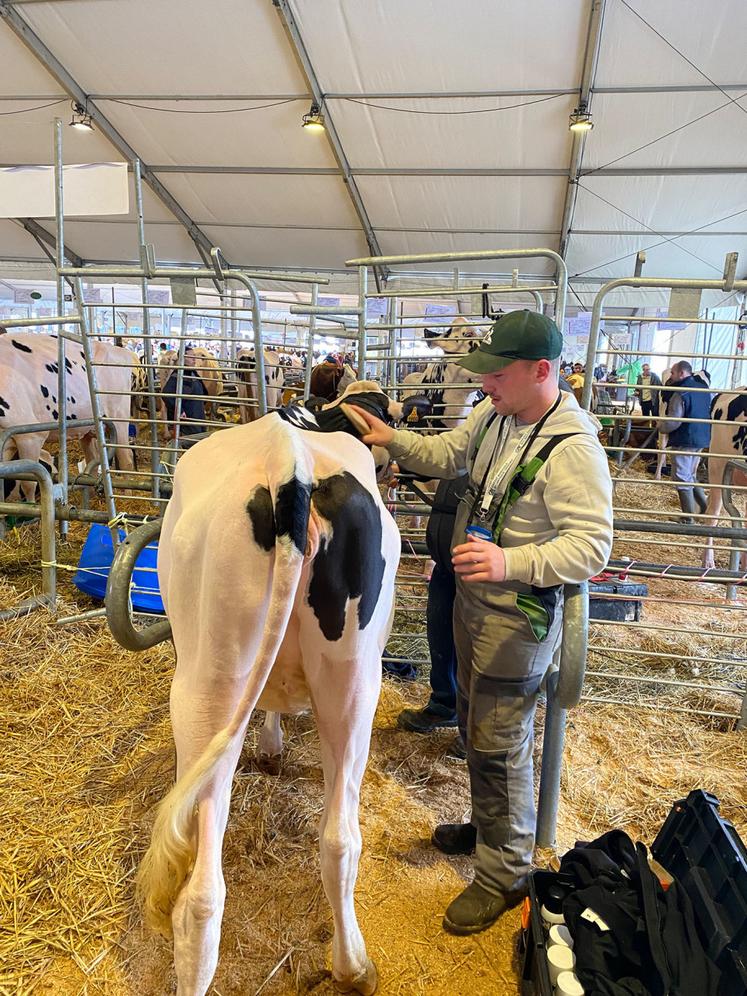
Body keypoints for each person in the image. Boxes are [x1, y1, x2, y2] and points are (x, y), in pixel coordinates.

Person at [352, 310, 613, 936]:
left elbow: (591, 548)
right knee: (476, 724)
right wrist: (393, 439)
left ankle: (506, 873)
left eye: (497, 373)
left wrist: (508, 561)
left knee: (499, 740)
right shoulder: (495, 417)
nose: (485, 383)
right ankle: (490, 828)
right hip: (476, 603)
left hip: (515, 616)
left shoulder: (573, 449)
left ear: (541, 370)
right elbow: (449, 453)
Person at [658, 360, 711, 520]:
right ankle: (704, 509)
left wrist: (661, 427)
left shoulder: (680, 392)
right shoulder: (704, 389)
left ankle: (688, 518)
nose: (671, 376)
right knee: (689, 474)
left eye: (673, 373)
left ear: (681, 373)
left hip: (685, 438)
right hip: (702, 437)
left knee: (681, 476)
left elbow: (674, 421)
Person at [161, 345, 207, 436]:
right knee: (191, 440)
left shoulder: (192, 372)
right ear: (183, 358)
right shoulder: (179, 374)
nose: (194, 359)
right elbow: (166, 394)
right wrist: (180, 411)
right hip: (188, 420)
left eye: (194, 356)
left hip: (198, 416)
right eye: (190, 357)